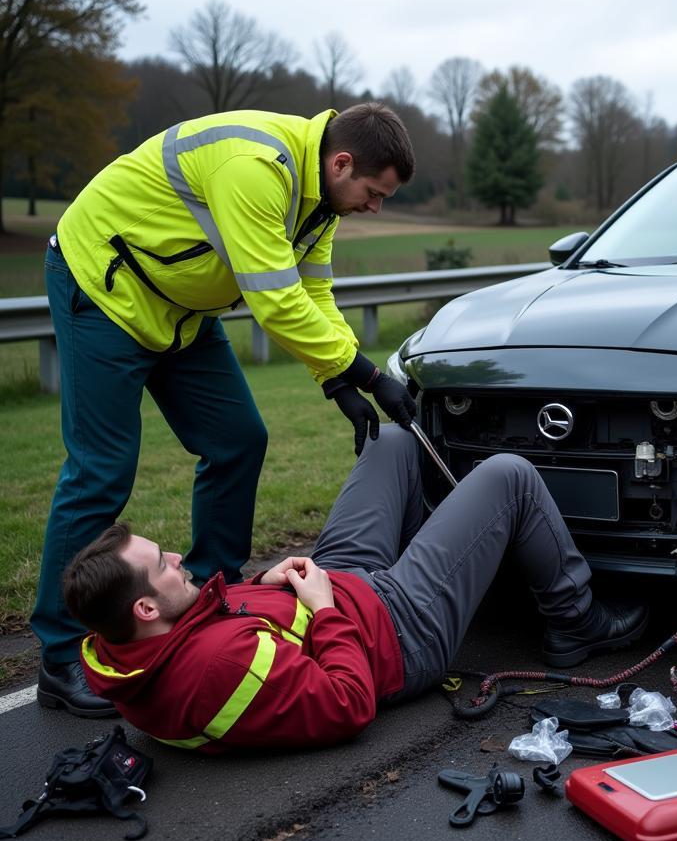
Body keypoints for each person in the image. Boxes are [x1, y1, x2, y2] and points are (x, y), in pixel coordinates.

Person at [35, 103, 418, 718]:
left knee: (239, 438)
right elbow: (274, 301)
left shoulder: (321, 196)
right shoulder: (255, 165)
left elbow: (311, 290)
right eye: (373, 194)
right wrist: (367, 374)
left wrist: (335, 377)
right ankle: (59, 656)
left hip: (180, 308)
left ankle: (209, 592)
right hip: (106, 287)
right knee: (102, 466)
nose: (375, 207)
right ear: (342, 162)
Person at [63, 426, 649, 752]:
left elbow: (216, 623)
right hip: (398, 628)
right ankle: (577, 620)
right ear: (144, 607)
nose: (173, 556)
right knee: (509, 475)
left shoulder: (129, 641)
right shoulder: (218, 668)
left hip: (337, 586)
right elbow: (347, 704)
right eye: (160, 564)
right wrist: (320, 609)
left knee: (388, 440)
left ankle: (466, 559)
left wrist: (262, 584)